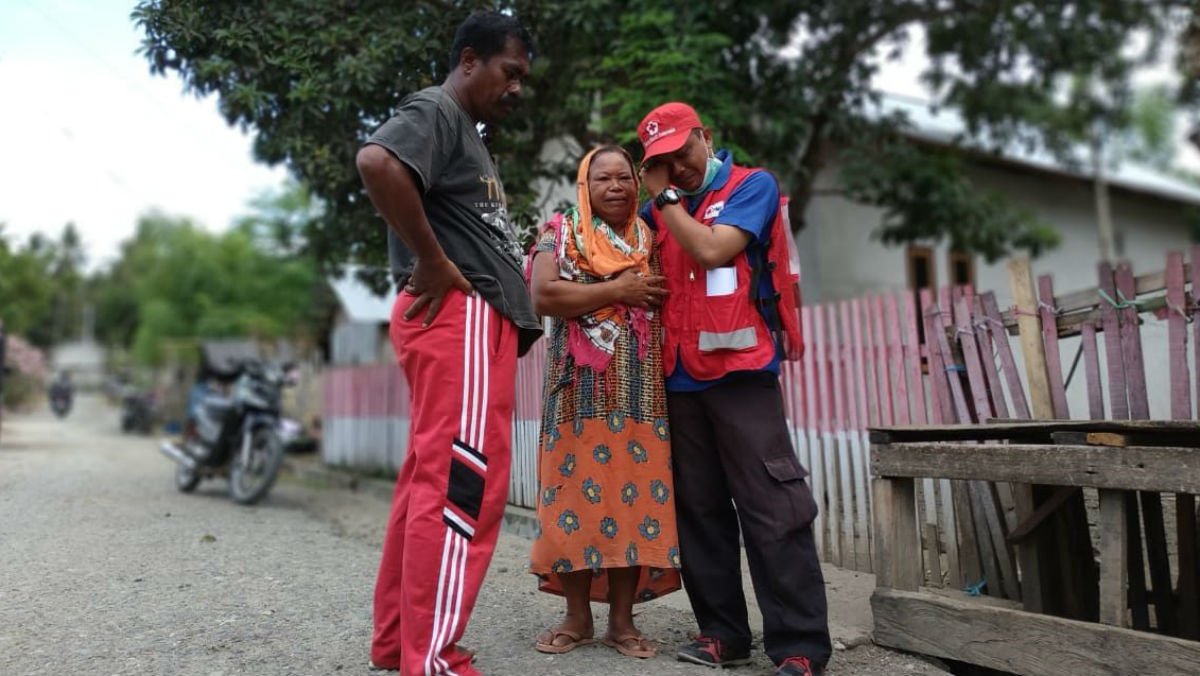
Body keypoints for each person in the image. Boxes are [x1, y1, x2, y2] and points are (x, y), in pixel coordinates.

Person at [354, 11, 542, 675]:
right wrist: (432, 260)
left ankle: (401, 644)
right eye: (509, 72)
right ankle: (433, 657)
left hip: (466, 320)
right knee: (464, 482)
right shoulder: (437, 108)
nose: (517, 87)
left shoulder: (463, 130)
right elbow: (376, 161)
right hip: (458, 315)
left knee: (430, 482)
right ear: (469, 59)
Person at [636, 102, 832, 676]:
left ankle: (799, 644)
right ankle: (722, 632)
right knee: (699, 511)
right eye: (662, 162)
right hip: (678, 378)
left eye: (681, 152)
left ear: (705, 137)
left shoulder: (753, 185)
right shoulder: (657, 212)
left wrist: (664, 199)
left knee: (773, 508)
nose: (677, 167)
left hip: (743, 375)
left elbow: (714, 249)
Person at [526, 146, 680, 659]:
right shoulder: (561, 232)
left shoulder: (652, 238)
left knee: (633, 499)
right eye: (602, 179)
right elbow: (545, 296)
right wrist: (620, 289)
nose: (615, 187)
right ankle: (576, 618)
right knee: (572, 498)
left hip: (641, 390)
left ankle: (621, 623)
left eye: (623, 178)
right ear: (584, 188)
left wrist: (622, 290)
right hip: (576, 390)